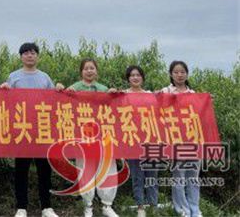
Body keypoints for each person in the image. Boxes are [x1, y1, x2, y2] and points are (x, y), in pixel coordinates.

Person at [0, 43, 59, 217]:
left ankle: (46, 207)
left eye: (33, 52)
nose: (29, 55)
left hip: (41, 129)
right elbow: (6, 102)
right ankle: (21, 207)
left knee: (44, 170)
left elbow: (54, 100)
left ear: (37, 56)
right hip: (22, 129)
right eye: (26, 53)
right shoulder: (14, 77)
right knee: (21, 170)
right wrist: (4, 90)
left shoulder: (44, 77)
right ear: (21, 57)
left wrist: (59, 89)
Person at [65, 58, 120, 217]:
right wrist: (63, 90)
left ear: (97, 71)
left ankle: (107, 205)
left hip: (103, 135)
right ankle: (88, 205)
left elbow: (114, 109)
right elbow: (64, 105)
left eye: (92, 68)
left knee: (107, 167)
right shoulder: (74, 88)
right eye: (86, 68)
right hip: (82, 136)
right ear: (81, 72)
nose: (89, 71)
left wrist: (114, 94)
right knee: (85, 168)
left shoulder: (104, 89)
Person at [160, 61, 201, 217]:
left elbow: (199, 115)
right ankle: (182, 210)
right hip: (175, 141)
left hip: (193, 139)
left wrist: (206, 101)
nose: (179, 75)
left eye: (182, 72)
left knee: (193, 178)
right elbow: (157, 109)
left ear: (187, 74)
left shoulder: (193, 93)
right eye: (176, 72)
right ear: (171, 74)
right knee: (179, 177)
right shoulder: (165, 91)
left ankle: (195, 209)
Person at [123, 65, 158, 217]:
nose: (135, 78)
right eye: (132, 75)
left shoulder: (150, 95)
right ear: (128, 78)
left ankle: (153, 206)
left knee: (152, 175)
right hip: (133, 141)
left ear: (142, 78)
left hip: (151, 140)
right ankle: (140, 207)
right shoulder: (123, 95)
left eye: (138, 75)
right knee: (137, 176)